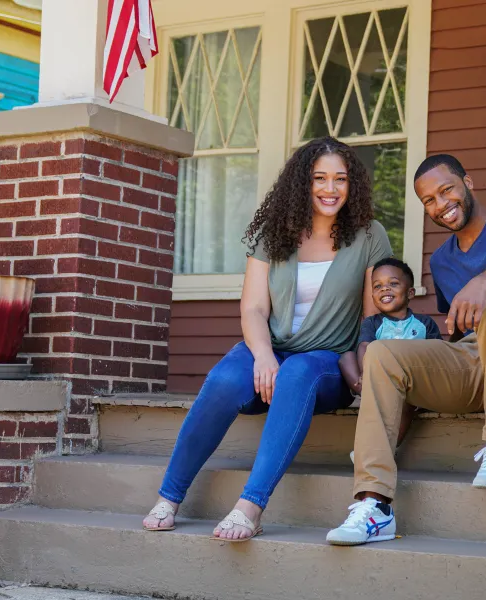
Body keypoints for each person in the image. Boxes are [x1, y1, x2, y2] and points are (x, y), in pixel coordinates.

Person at [142, 137, 392, 541]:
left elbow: (370, 317)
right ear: (302, 182)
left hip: (326, 365)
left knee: (297, 371)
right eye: (320, 178)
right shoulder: (274, 233)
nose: (331, 189)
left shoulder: (369, 235)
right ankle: (170, 495)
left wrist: (365, 374)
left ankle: (251, 506)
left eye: (340, 179)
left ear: (353, 184)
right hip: (270, 351)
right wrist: (262, 356)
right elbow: (254, 309)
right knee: (224, 380)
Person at [327, 154, 486, 546]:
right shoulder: (442, 260)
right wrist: (419, 383)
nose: (440, 204)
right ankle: (375, 504)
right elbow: (457, 333)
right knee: (382, 352)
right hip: (479, 368)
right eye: (429, 200)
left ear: (468, 183)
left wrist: (482, 283)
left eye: (447, 190)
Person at [338, 257, 442, 461]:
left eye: (393, 284)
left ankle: (385, 448)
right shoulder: (373, 323)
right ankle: (368, 388)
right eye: (377, 286)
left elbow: (437, 354)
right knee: (346, 357)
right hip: (377, 379)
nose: (384, 289)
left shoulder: (424, 323)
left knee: (405, 401)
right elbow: (365, 347)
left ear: (410, 292)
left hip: (411, 386)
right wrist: (367, 375)